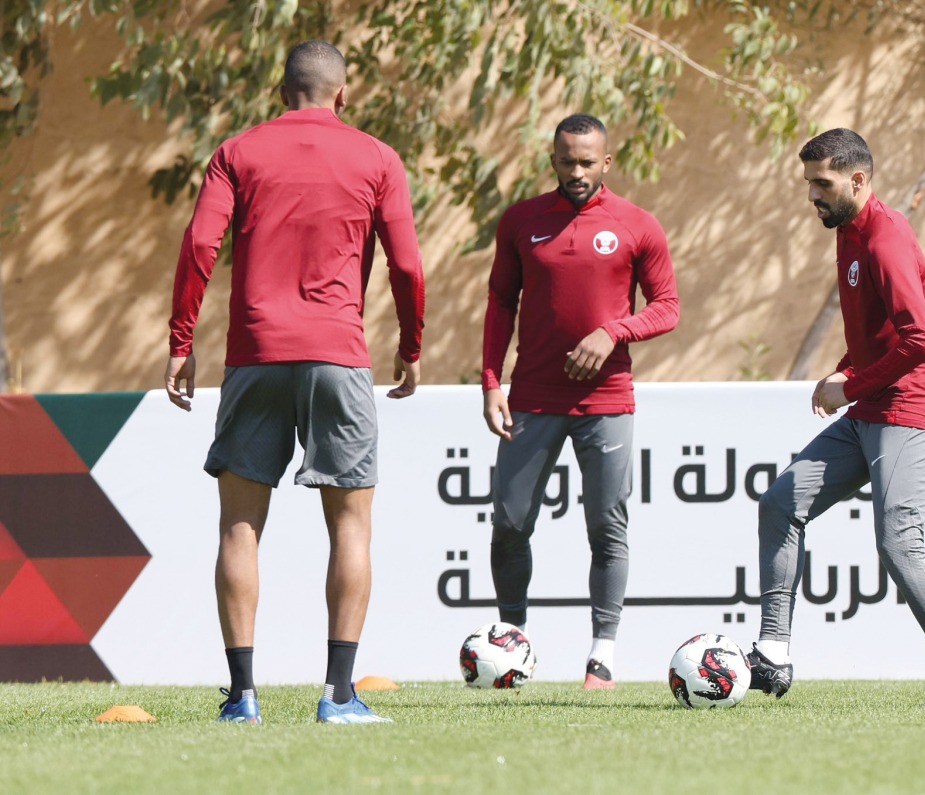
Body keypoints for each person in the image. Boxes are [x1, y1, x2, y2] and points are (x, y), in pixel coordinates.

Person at [163, 40, 425, 724]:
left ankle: (243, 697)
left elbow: (199, 245)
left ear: (282, 93)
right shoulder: (377, 158)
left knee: (239, 525)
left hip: (255, 354)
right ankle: (339, 695)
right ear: (343, 93)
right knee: (352, 526)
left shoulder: (238, 152)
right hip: (338, 355)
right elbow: (408, 266)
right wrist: (412, 344)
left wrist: (181, 341)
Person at [748, 128, 925, 708]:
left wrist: (850, 385)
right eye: (809, 182)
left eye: (822, 183)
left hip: (915, 405)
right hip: (874, 404)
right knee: (781, 502)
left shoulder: (885, 238)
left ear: (858, 180)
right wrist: (843, 369)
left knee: (898, 542)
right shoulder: (850, 233)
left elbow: (921, 342)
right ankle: (774, 654)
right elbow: (879, 332)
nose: (812, 194)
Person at [481, 113, 680, 689]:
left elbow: (667, 306)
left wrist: (613, 331)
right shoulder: (522, 221)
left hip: (608, 399)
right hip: (532, 398)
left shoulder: (637, 225)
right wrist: (492, 379)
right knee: (511, 524)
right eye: (566, 160)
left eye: (587, 162)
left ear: (607, 162)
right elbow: (500, 303)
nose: (576, 171)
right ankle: (511, 646)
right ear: (552, 159)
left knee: (606, 527)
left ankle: (602, 656)